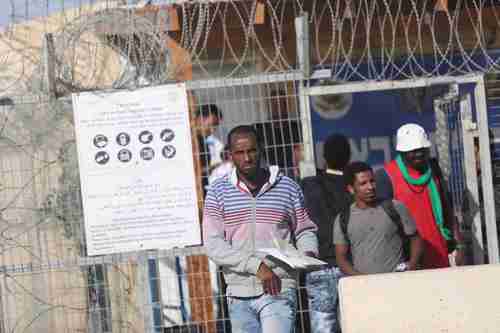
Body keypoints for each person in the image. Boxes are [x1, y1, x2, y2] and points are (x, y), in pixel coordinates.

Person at [202, 125, 318, 333]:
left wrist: (308, 253)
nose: (247, 158)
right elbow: (213, 245)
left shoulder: (287, 187)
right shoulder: (218, 192)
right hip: (238, 293)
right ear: (230, 155)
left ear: (261, 149)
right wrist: (256, 267)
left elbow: (304, 230)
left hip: (279, 288)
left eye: (252, 150)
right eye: (239, 152)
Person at [375, 123, 465, 268]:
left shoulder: (433, 168)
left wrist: (459, 245)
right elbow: (383, 225)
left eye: (422, 150)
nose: (418, 154)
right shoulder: (385, 176)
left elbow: (447, 207)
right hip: (408, 256)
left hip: (438, 250)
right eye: (413, 151)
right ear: (402, 152)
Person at [300, 133, 352, 333]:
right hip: (348, 265)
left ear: (324, 157)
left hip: (319, 267)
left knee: (323, 326)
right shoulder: (353, 188)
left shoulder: (309, 185)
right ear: (348, 157)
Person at [334, 161, 424, 275]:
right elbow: (341, 260)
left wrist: (411, 266)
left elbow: (416, 239)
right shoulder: (343, 219)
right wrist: (361, 280)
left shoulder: (395, 207)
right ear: (351, 189)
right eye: (363, 183)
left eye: (372, 181)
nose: (370, 187)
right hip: (365, 289)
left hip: (398, 284)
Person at [255, 90, 302, 179]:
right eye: (274, 104)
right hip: (267, 174)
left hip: (292, 174)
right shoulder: (259, 129)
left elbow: (299, 153)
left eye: (281, 104)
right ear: (269, 107)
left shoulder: (296, 128)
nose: (278, 108)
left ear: (286, 106)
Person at [195, 104, 223, 193]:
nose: (212, 130)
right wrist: (212, 167)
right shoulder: (188, 141)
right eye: (212, 125)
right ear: (200, 118)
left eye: (215, 127)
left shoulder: (203, 142)